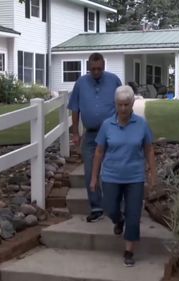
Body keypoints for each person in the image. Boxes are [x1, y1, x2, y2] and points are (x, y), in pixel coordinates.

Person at [89, 85, 156, 267]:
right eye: (120, 105)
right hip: (111, 175)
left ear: (132, 103)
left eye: (127, 104)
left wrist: (152, 174)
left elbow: (149, 150)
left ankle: (128, 251)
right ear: (115, 105)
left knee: (133, 215)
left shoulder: (141, 124)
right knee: (110, 207)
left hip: (135, 177)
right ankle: (118, 220)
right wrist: (94, 178)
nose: (123, 108)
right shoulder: (107, 125)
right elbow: (99, 152)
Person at [67, 53, 122, 223]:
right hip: (90, 135)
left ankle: (117, 206)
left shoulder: (114, 81)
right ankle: (96, 207)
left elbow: (123, 104)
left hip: (112, 133)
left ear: (104, 66)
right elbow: (75, 108)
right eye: (93, 69)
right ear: (88, 67)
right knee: (91, 171)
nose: (96, 72)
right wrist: (75, 132)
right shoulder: (81, 83)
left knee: (113, 170)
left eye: (99, 68)